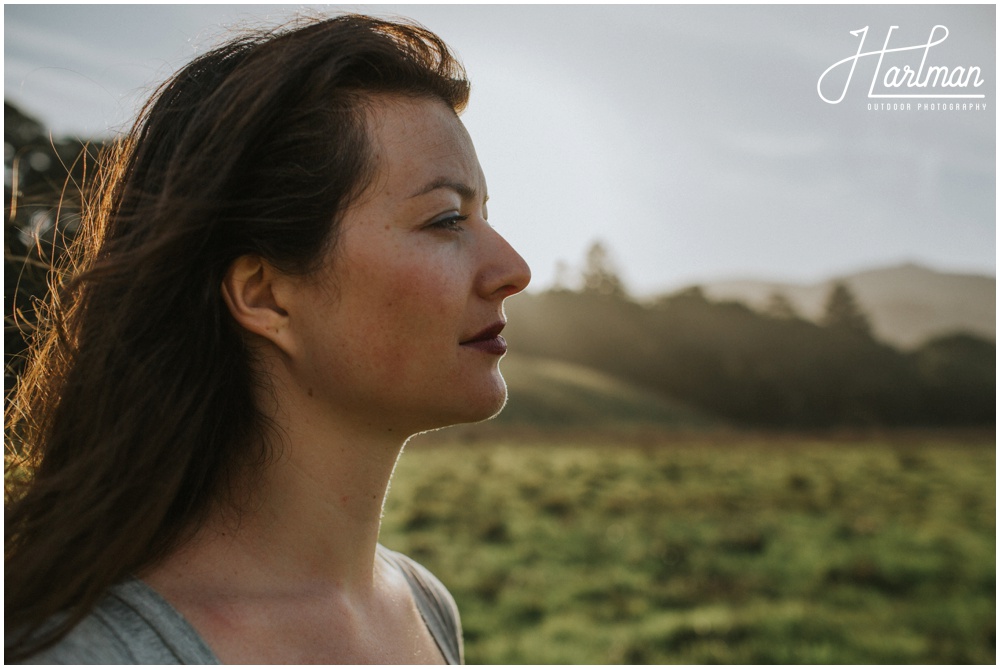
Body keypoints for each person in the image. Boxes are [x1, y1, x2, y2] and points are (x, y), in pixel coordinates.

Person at [5, 13, 530, 664]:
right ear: (264, 295)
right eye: (447, 218)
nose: (514, 270)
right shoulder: (86, 653)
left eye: (484, 215)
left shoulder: (423, 604)